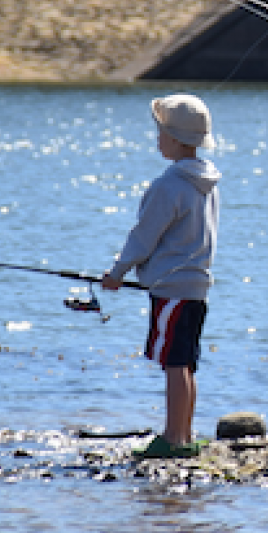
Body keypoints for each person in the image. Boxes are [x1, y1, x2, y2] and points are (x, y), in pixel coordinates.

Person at [102, 93, 222, 459]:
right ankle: (185, 434)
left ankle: (172, 437)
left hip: (170, 287)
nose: (157, 138)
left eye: (160, 132)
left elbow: (144, 236)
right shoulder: (208, 182)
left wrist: (117, 272)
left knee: (173, 363)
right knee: (186, 362)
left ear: (174, 138)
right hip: (198, 285)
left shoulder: (167, 185)